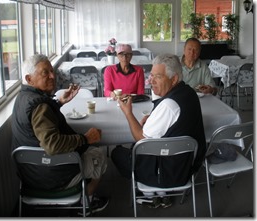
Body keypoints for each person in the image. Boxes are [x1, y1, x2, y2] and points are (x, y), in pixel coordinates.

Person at [11, 54, 108, 216]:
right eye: (45, 73)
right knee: (99, 154)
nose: (52, 75)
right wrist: (85, 138)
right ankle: (88, 202)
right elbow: (53, 145)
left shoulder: (23, 97)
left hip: (30, 173)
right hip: (51, 175)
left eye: (52, 71)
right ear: (29, 78)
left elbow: (38, 123)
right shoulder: (39, 106)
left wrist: (59, 103)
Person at [111, 54, 206, 209]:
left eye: (158, 77)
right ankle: (162, 196)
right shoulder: (189, 92)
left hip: (166, 173)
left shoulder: (169, 105)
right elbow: (175, 119)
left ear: (174, 79)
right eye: (152, 76)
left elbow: (141, 138)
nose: (151, 81)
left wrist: (128, 112)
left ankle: (150, 195)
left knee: (117, 153)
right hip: (185, 166)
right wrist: (153, 116)